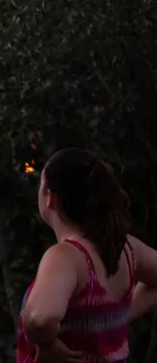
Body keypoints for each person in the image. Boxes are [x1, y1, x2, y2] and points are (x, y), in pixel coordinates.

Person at [18, 148, 157, 363]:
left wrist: (48, 346)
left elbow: (41, 319)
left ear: (50, 198)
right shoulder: (127, 247)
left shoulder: (65, 257)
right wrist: (117, 318)